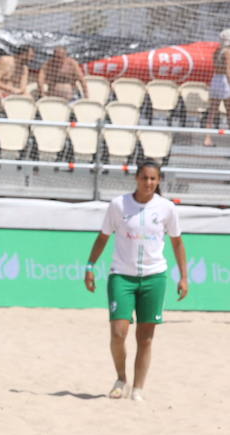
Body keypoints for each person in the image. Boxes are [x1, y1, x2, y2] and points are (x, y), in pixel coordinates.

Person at [82, 161, 188, 401]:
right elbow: (103, 237)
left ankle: (138, 389)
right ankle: (121, 378)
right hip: (121, 275)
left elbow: (177, 243)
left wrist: (184, 276)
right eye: (144, 178)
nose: (148, 183)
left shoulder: (167, 208)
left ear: (159, 181)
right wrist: (90, 266)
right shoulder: (118, 205)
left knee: (146, 337)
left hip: (154, 277)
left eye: (153, 179)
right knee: (119, 332)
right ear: (136, 178)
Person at [203, 30, 230, 147]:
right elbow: (228, 70)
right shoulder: (228, 51)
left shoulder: (217, 51)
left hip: (216, 79)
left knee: (212, 111)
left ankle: (207, 138)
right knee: (229, 112)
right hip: (225, 81)